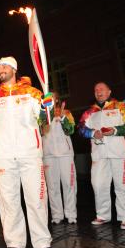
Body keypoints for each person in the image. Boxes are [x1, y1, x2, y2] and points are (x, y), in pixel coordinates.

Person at [0, 56, 55, 248]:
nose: (0, 69)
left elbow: (45, 119)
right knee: (9, 200)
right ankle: (14, 242)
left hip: (30, 154)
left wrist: (48, 107)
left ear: (14, 69)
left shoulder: (32, 93)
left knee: (36, 199)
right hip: (3, 156)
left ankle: (42, 242)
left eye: (4, 66)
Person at [78, 82, 125, 229]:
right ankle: (102, 215)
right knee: (98, 185)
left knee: (122, 186)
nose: (99, 92)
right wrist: (92, 133)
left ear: (109, 91)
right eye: (96, 90)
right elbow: (80, 127)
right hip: (99, 155)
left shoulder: (121, 107)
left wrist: (115, 131)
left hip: (120, 153)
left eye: (102, 89)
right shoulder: (90, 111)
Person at [41, 92, 77, 224]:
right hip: (48, 155)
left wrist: (62, 118)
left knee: (69, 184)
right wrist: (45, 119)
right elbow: (41, 132)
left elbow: (71, 130)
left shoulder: (66, 112)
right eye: (48, 97)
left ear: (57, 99)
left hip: (65, 155)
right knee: (52, 186)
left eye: (54, 97)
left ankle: (71, 214)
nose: (51, 99)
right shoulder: (42, 115)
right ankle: (57, 215)